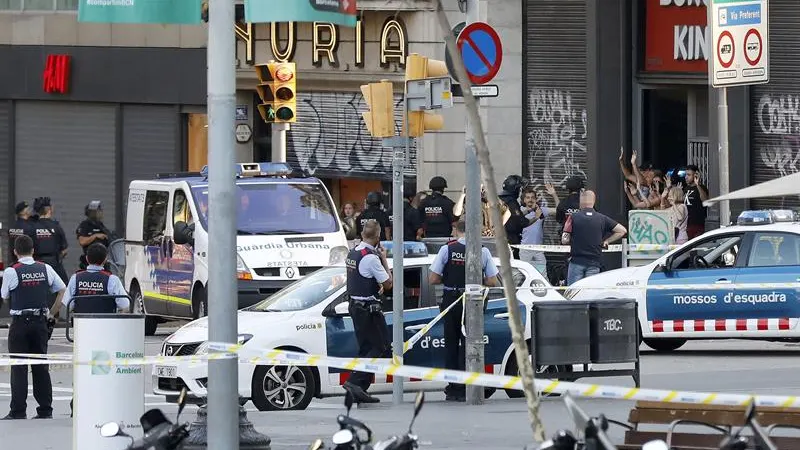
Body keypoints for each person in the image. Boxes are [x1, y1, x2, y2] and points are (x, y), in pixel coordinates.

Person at [51, 243, 130, 418]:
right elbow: (125, 305)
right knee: (100, 370)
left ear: (87, 259)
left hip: (82, 331)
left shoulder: (76, 278)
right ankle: (98, 403)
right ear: (105, 260)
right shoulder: (112, 279)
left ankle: (77, 404)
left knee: (82, 368)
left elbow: (66, 305)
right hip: (104, 332)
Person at [428, 219, 499, 401]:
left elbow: (433, 279)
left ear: (456, 230)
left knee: (451, 344)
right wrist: (475, 280)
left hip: (452, 300)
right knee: (471, 343)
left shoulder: (447, 249)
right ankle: (472, 384)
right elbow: (492, 281)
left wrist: (452, 279)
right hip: (473, 302)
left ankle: (454, 387)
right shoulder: (482, 251)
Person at [0, 235, 66, 420]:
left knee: (19, 368)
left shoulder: (12, 272)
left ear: (15, 252)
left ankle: (18, 411)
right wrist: (51, 313)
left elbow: (5, 295)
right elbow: (62, 290)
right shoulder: (46, 268)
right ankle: (45, 410)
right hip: (40, 323)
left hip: (20, 323)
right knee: (41, 367)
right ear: (33, 250)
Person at [343, 220, 393, 403]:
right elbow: (389, 283)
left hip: (355, 305)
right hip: (368, 309)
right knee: (380, 347)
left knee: (366, 348)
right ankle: (354, 382)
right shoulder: (371, 258)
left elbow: (359, 277)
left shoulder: (353, 252)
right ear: (378, 237)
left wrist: (372, 286)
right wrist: (384, 259)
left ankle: (358, 390)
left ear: (363, 234)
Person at [561, 190, 627, 285]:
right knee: (590, 291)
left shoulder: (572, 217)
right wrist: (607, 241)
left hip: (576, 262)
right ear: (594, 201)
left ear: (581, 201)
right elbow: (622, 230)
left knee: (573, 293)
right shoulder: (602, 218)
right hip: (594, 263)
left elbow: (564, 240)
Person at [520, 185, 558, 276]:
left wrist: (554, 194)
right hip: (525, 249)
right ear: (524, 200)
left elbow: (559, 210)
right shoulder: (520, 211)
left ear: (536, 199)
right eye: (528, 197)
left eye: (533, 197)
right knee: (525, 275)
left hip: (538, 250)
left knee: (542, 276)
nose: (530, 200)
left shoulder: (541, 211)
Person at [30, 197, 68, 286]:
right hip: (54, 264)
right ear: (49, 209)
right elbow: (64, 250)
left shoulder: (31, 227)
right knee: (64, 287)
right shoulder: (56, 226)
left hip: (37, 265)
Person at [76, 200, 112, 271]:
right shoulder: (85, 225)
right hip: (89, 262)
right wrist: (95, 236)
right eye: (98, 211)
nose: (100, 213)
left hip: (102, 262)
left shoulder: (101, 226)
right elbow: (82, 241)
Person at [498, 175, 528, 259]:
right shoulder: (512, 202)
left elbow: (513, 216)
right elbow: (521, 221)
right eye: (518, 189)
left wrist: (528, 211)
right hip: (510, 239)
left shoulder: (499, 199)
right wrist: (535, 217)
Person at [684, 164, 709, 238]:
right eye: (686, 175)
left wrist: (698, 185)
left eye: (689, 175)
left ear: (695, 175)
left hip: (697, 224)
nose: (686, 177)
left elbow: (705, 201)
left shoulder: (702, 188)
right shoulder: (686, 188)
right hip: (686, 224)